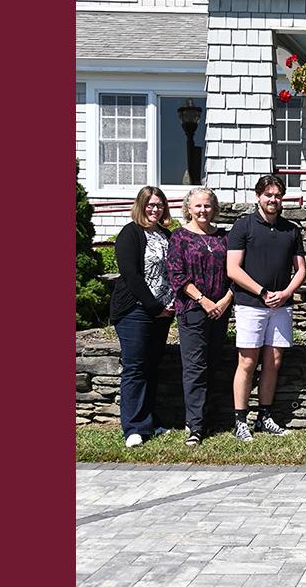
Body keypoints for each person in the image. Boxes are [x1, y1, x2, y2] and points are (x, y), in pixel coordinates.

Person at [225, 175, 306, 441]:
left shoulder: (291, 229)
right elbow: (233, 269)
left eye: (278, 195)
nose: (273, 199)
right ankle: (240, 420)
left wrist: (285, 293)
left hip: (281, 306)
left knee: (274, 361)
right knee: (247, 361)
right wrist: (262, 292)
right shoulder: (243, 226)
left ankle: (264, 416)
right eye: (268, 195)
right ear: (258, 196)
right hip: (251, 305)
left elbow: (301, 270)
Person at [166, 187, 233, 447]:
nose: (203, 210)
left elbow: (234, 271)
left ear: (213, 208)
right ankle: (195, 426)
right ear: (188, 209)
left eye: (207, 206)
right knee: (195, 368)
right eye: (198, 206)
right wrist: (203, 300)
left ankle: (210, 418)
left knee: (214, 364)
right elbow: (177, 275)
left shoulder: (223, 238)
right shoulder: (179, 237)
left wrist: (225, 301)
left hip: (220, 310)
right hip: (193, 310)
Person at [110, 186, 175, 448]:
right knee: (135, 368)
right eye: (150, 204)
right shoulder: (130, 233)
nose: (154, 209)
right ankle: (133, 429)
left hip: (163, 313)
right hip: (136, 311)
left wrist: (168, 307)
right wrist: (153, 306)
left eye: (159, 205)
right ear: (140, 206)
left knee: (151, 367)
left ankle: (150, 422)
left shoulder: (165, 235)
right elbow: (131, 275)